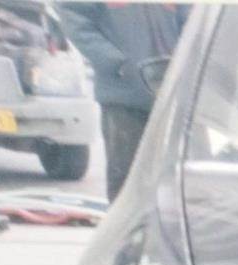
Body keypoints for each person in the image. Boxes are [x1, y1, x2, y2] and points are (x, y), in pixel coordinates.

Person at [57, 3, 186, 200]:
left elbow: (194, 22)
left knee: (175, 181)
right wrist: (116, 63)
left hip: (173, 97)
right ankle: (125, 221)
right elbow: (74, 18)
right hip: (124, 98)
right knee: (125, 181)